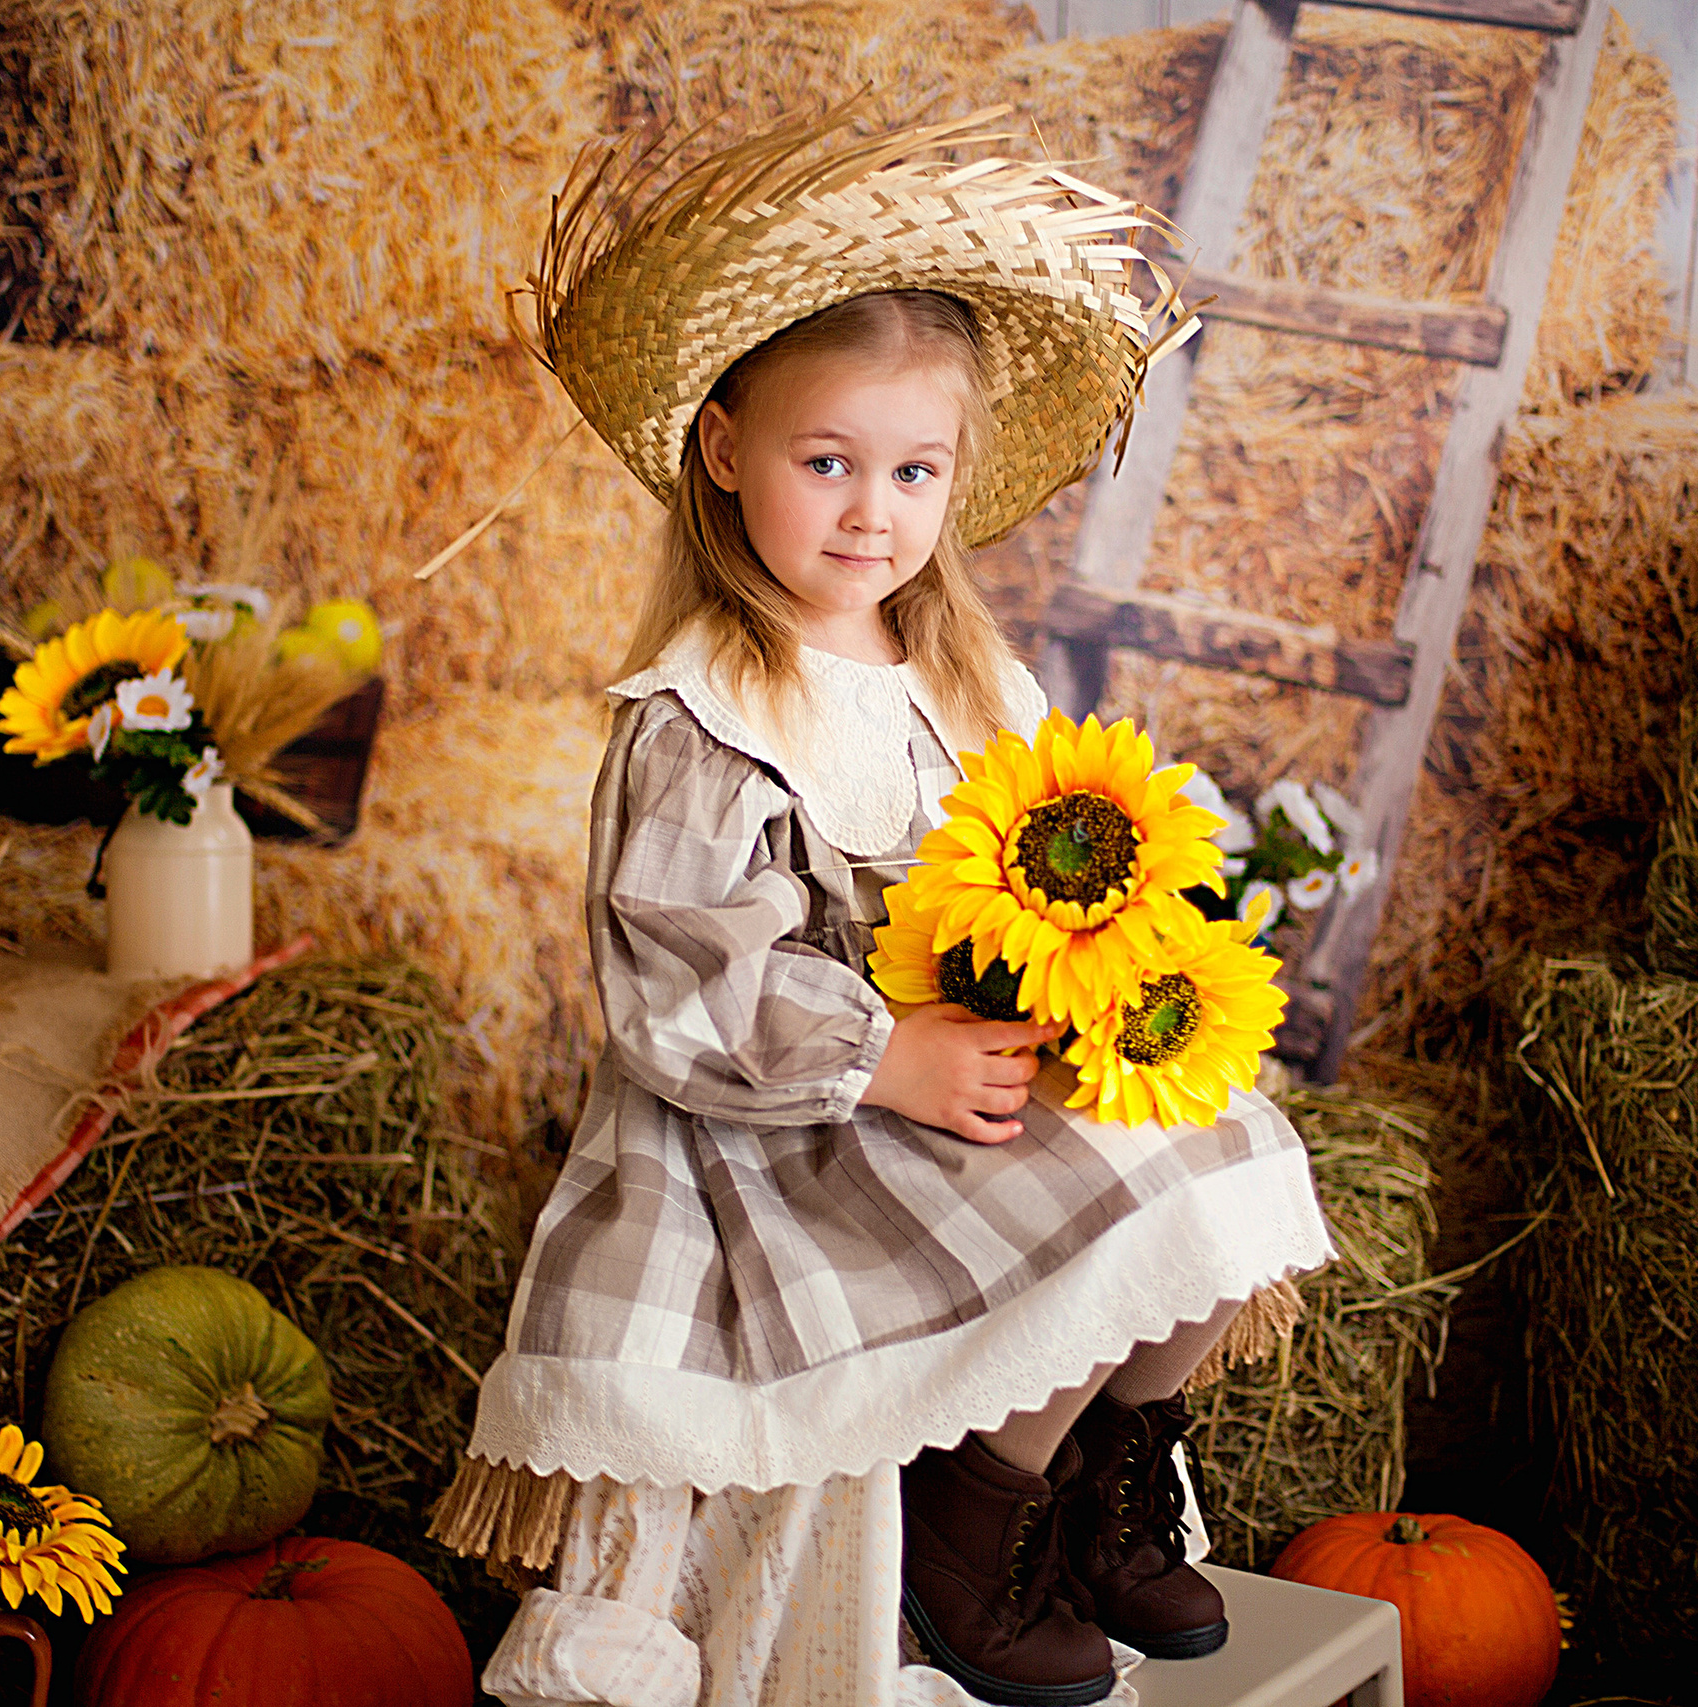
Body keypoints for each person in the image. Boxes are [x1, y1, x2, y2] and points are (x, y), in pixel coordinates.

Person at [433, 111, 1335, 1707]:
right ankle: (971, 1521)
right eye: (826, 462)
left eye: (912, 471)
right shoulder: (708, 709)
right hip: (795, 1116)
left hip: (961, 1055)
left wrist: (1106, 975)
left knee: (1227, 1152)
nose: (871, 512)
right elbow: (682, 986)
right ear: (725, 449)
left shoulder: (960, 669)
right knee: (1092, 1200)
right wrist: (884, 1058)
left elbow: (1049, 860)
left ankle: (1103, 1483)